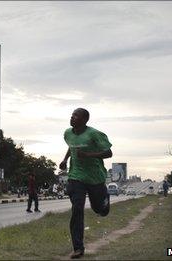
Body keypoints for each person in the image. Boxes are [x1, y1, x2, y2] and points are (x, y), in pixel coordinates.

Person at [59, 108, 112, 259]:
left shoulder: (94, 134)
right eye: (72, 114)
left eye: (76, 115)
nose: (72, 117)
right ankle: (78, 248)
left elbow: (109, 153)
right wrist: (65, 159)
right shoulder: (68, 133)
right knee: (77, 209)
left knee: (100, 209)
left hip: (95, 177)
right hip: (76, 176)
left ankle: (104, 201)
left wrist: (88, 155)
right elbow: (71, 145)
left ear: (84, 120)